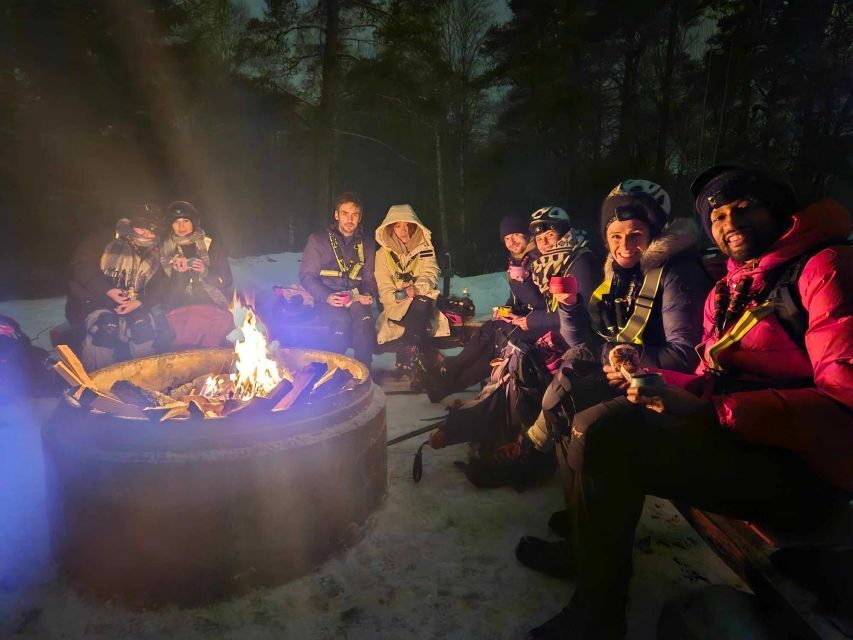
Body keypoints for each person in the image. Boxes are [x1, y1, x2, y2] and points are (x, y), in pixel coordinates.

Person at [517, 166, 853, 640]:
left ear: (781, 211)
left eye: (743, 208)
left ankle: (598, 612)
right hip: (741, 438)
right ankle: (588, 556)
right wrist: (659, 382)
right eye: (717, 215)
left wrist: (709, 411)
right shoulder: (734, 285)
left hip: (803, 472)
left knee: (605, 432)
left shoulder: (827, 269)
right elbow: (707, 374)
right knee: (592, 411)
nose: (729, 223)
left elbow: (843, 408)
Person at [517, 179, 710, 573]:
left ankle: (584, 546)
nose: (625, 244)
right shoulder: (617, 272)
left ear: (654, 233)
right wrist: (570, 306)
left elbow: (685, 356)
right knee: (565, 393)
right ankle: (578, 521)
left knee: (584, 419)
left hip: (662, 387)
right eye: (616, 235)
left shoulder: (675, 273)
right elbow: (584, 339)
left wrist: (625, 355)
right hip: (629, 374)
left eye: (636, 234)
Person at [66, 212, 168, 370]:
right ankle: (97, 378)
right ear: (133, 223)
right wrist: (107, 291)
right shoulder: (104, 239)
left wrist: (140, 302)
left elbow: (161, 285)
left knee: (142, 327)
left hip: (134, 304)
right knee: (106, 327)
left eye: (151, 231)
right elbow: (82, 266)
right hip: (93, 301)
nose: (145, 234)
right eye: (141, 228)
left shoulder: (157, 251)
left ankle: (147, 376)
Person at [299, 192, 378, 367]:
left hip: (356, 297)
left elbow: (369, 278)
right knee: (340, 325)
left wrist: (367, 294)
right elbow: (307, 276)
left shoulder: (368, 243)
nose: (350, 219)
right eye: (345, 214)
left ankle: (363, 373)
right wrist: (326, 296)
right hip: (329, 299)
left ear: (359, 217)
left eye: (354, 215)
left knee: (365, 324)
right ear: (336, 215)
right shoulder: (318, 240)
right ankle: (333, 373)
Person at [374, 204, 449, 376]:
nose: (404, 230)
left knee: (421, 302)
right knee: (418, 314)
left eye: (408, 225)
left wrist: (416, 288)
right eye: (398, 226)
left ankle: (409, 355)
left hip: (421, 299)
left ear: (415, 225)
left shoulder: (425, 248)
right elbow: (384, 287)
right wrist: (401, 294)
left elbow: (430, 273)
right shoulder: (382, 255)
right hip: (396, 305)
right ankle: (420, 364)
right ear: (390, 228)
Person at [158, 200, 234, 347]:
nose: (181, 226)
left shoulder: (210, 244)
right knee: (188, 328)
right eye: (176, 222)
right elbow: (167, 297)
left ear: (194, 222)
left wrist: (206, 272)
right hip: (179, 306)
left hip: (212, 303)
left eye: (185, 220)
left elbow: (226, 279)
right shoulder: (164, 250)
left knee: (211, 331)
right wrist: (179, 275)